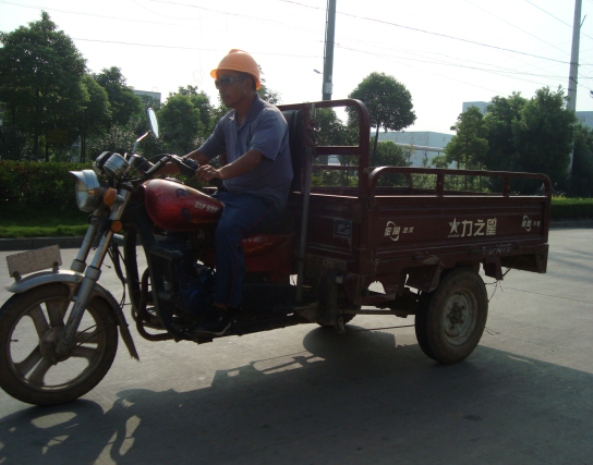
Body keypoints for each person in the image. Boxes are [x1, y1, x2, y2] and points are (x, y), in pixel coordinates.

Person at [178, 49, 293, 335]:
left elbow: (256, 156)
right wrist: (159, 168)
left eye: (227, 80)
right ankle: (188, 288)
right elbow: (201, 155)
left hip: (264, 199)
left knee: (227, 228)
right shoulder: (228, 121)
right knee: (184, 218)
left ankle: (225, 306)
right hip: (234, 196)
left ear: (249, 83)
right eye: (219, 82)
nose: (221, 88)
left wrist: (221, 173)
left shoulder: (270, 118)